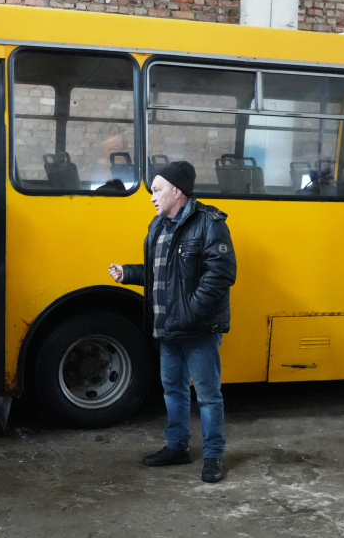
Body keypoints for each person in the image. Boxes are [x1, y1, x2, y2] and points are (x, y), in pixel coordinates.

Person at [108, 161, 236, 483]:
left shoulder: (209, 223)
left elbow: (221, 274)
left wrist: (191, 313)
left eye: (157, 190)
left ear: (177, 191)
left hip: (197, 329)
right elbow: (160, 273)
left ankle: (213, 456)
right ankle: (177, 447)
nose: (152, 197)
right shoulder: (158, 226)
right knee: (173, 391)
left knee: (208, 396)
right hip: (167, 328)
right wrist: (128, 273)